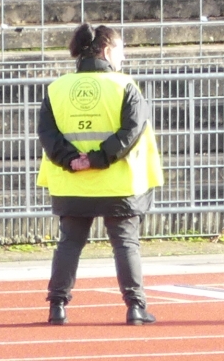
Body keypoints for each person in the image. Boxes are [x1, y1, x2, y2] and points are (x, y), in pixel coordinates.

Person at [37, 22, 160, 327]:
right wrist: (97, 159)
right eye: (120, 50)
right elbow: (131, 132)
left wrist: (73, 161)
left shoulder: (56, 88)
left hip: (71, 183)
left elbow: (48, 135)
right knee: (125, 243)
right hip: (118, 184)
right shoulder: (125, 86)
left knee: (69, 243)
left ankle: (57, 306)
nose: (123, 57)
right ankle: (135, 307)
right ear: (106, 50)